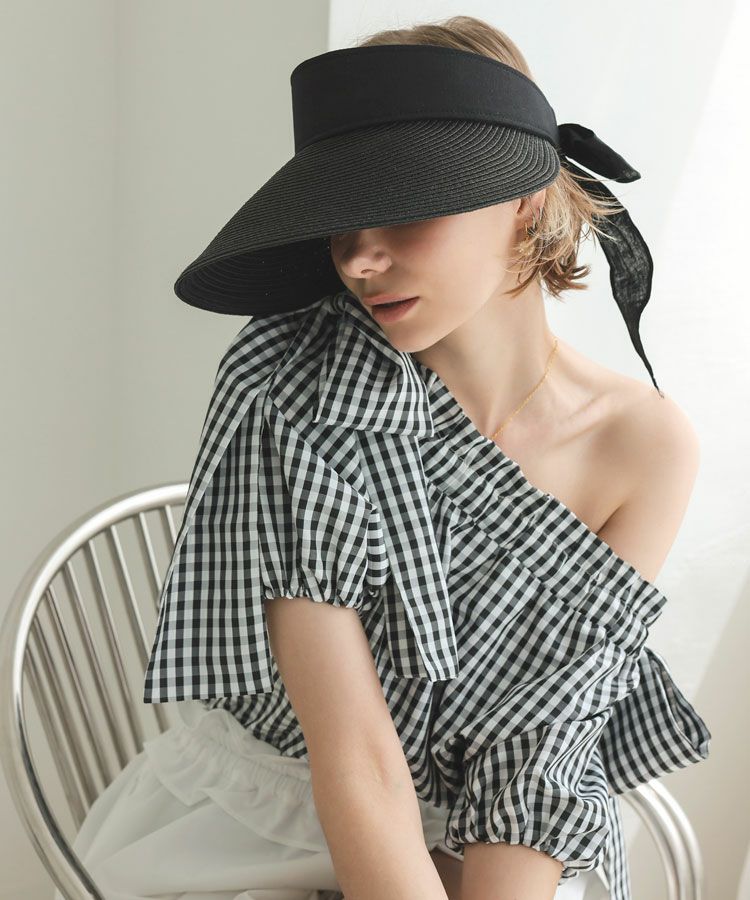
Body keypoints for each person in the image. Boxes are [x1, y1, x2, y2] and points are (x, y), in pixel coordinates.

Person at [56, 16, 712, 900]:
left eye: (404, 209)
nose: (362, 259)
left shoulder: (645, 446)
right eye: (339, 225)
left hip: (495, 836)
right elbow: (355, 754)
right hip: (265, 823)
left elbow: (544, 742)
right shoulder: (295, 382)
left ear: (523, 197)